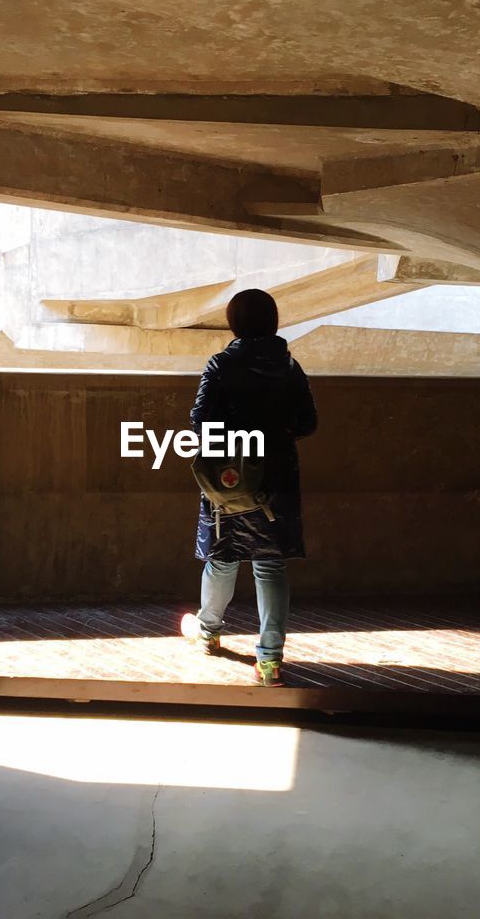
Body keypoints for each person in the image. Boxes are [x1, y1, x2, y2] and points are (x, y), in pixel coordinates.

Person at [180, 288, 317, 686]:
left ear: (235, 322)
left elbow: (200, 421)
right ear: (272, 321)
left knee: (222, 555)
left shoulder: (222, 364)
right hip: (276, 478)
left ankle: (208, 633)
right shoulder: (289, 367)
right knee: (270, 563)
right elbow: (307, 422)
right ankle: (270, 662)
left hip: (230, 473)